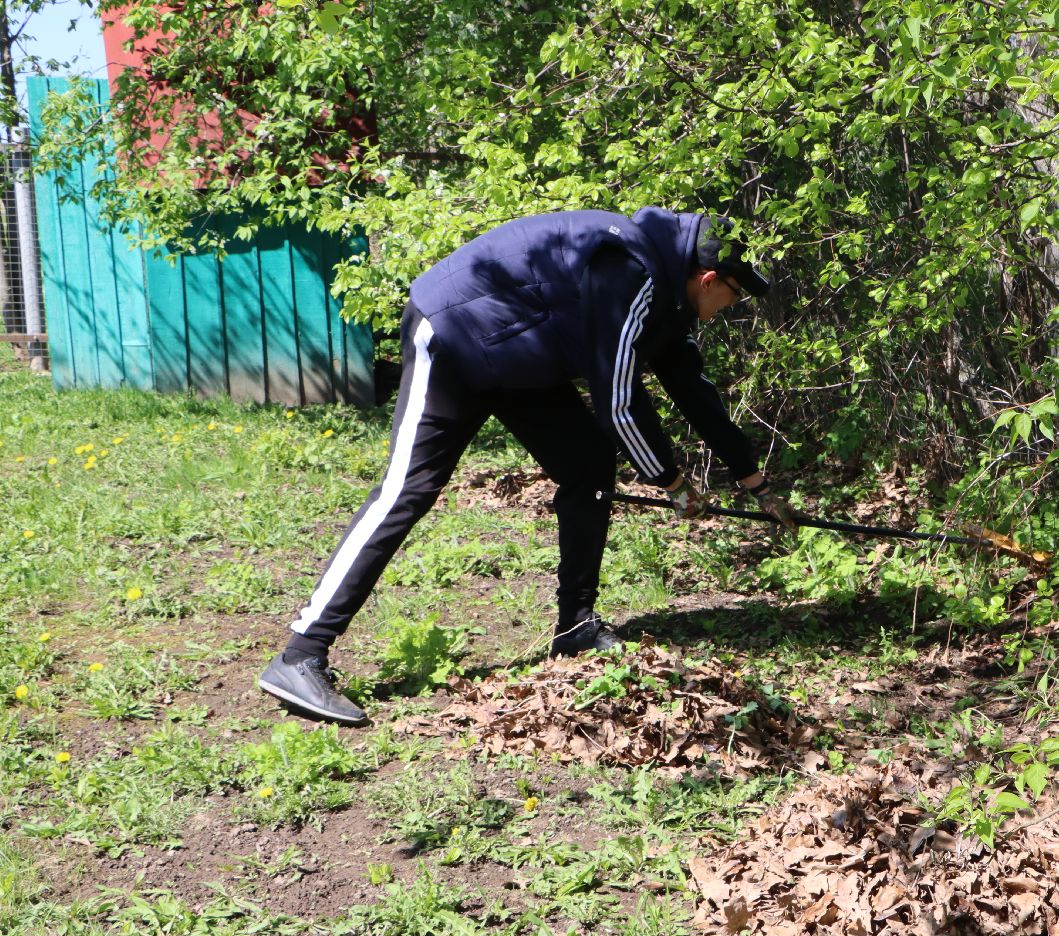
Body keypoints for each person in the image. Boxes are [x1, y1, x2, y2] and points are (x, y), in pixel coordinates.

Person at [258, 207, 794, 725]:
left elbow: (689, 389)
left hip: (517, 356)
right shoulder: (629, 272)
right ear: (707, 278)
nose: (730, 305)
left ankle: (575, 627)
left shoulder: (664, 293)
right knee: (407, 491)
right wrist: (672, 483)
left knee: (588, 463)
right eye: (733, 294)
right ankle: (300, 656)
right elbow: (618, 402)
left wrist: (754, 479)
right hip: (453, 335)